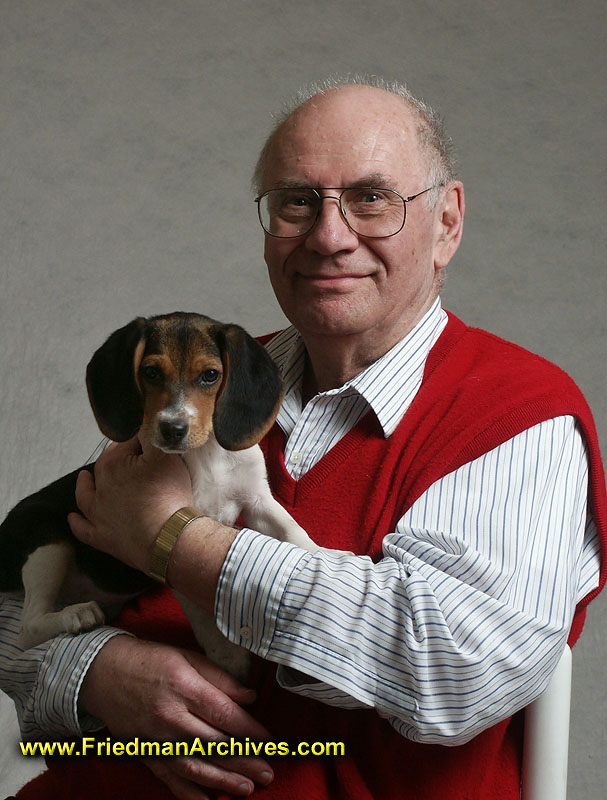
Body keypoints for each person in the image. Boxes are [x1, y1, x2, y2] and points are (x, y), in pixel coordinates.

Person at [2, 77, 606, 800]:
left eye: (371, 199)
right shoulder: (213, 381)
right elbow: (23, 584)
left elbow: (449, 671)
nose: (327, 235)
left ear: (446, 222)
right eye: (297, 201)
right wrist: (94, 672)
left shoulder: (519, 411)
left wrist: (178, 543)